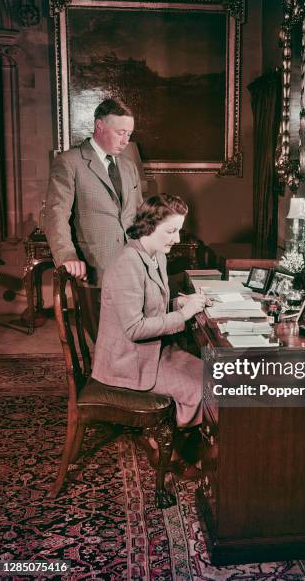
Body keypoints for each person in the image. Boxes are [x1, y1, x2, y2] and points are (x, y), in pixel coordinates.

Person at [92, 194, 206, 452]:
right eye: (171, 231)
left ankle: (179, 437)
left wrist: (177, 304)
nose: (177, 239)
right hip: (129, 362)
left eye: (179, 230)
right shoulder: (126, 264)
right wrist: (184, 315)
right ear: (149, 227)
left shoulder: (156, 256)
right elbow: (134, 328)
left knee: (214, 378)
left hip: (155, 351)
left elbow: (150, 306)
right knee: (200, 390)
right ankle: (162, 438)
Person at [44, 98, 143, 341]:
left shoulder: (129, 167)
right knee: (105, 344)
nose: (125, 140)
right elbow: (55, 214)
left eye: (129, 133)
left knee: (133, 341)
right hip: (95, 269)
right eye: (120, 132)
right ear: (99, 126)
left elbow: (139, 216)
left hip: (132, 269)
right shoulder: (69, 163)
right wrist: (67, 256)